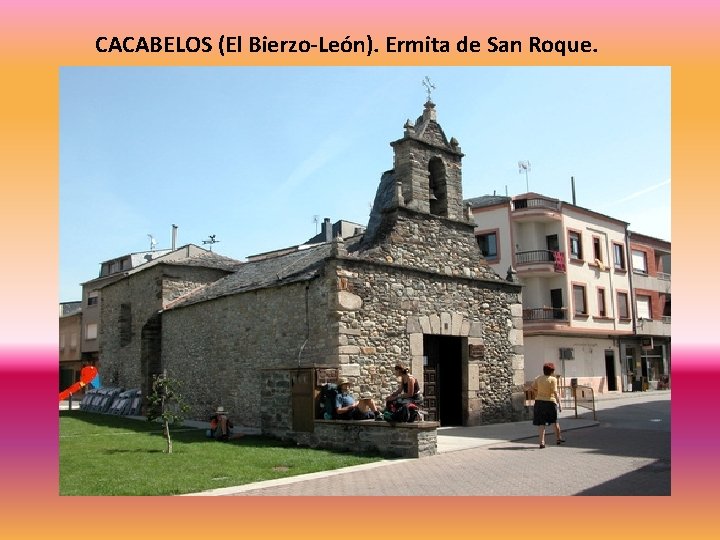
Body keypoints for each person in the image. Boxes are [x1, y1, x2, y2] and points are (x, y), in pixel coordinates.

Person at [532, 363, 565, 448]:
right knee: (555, 422)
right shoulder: (553, 379)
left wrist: (537, 393)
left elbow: (533, 387)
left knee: (541, 424)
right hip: (550, 402)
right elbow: (555, 392)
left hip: (539, 402)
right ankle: (558, 438)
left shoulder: (538, 378)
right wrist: (560, 404)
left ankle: (542, 442)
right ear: (552, 371)